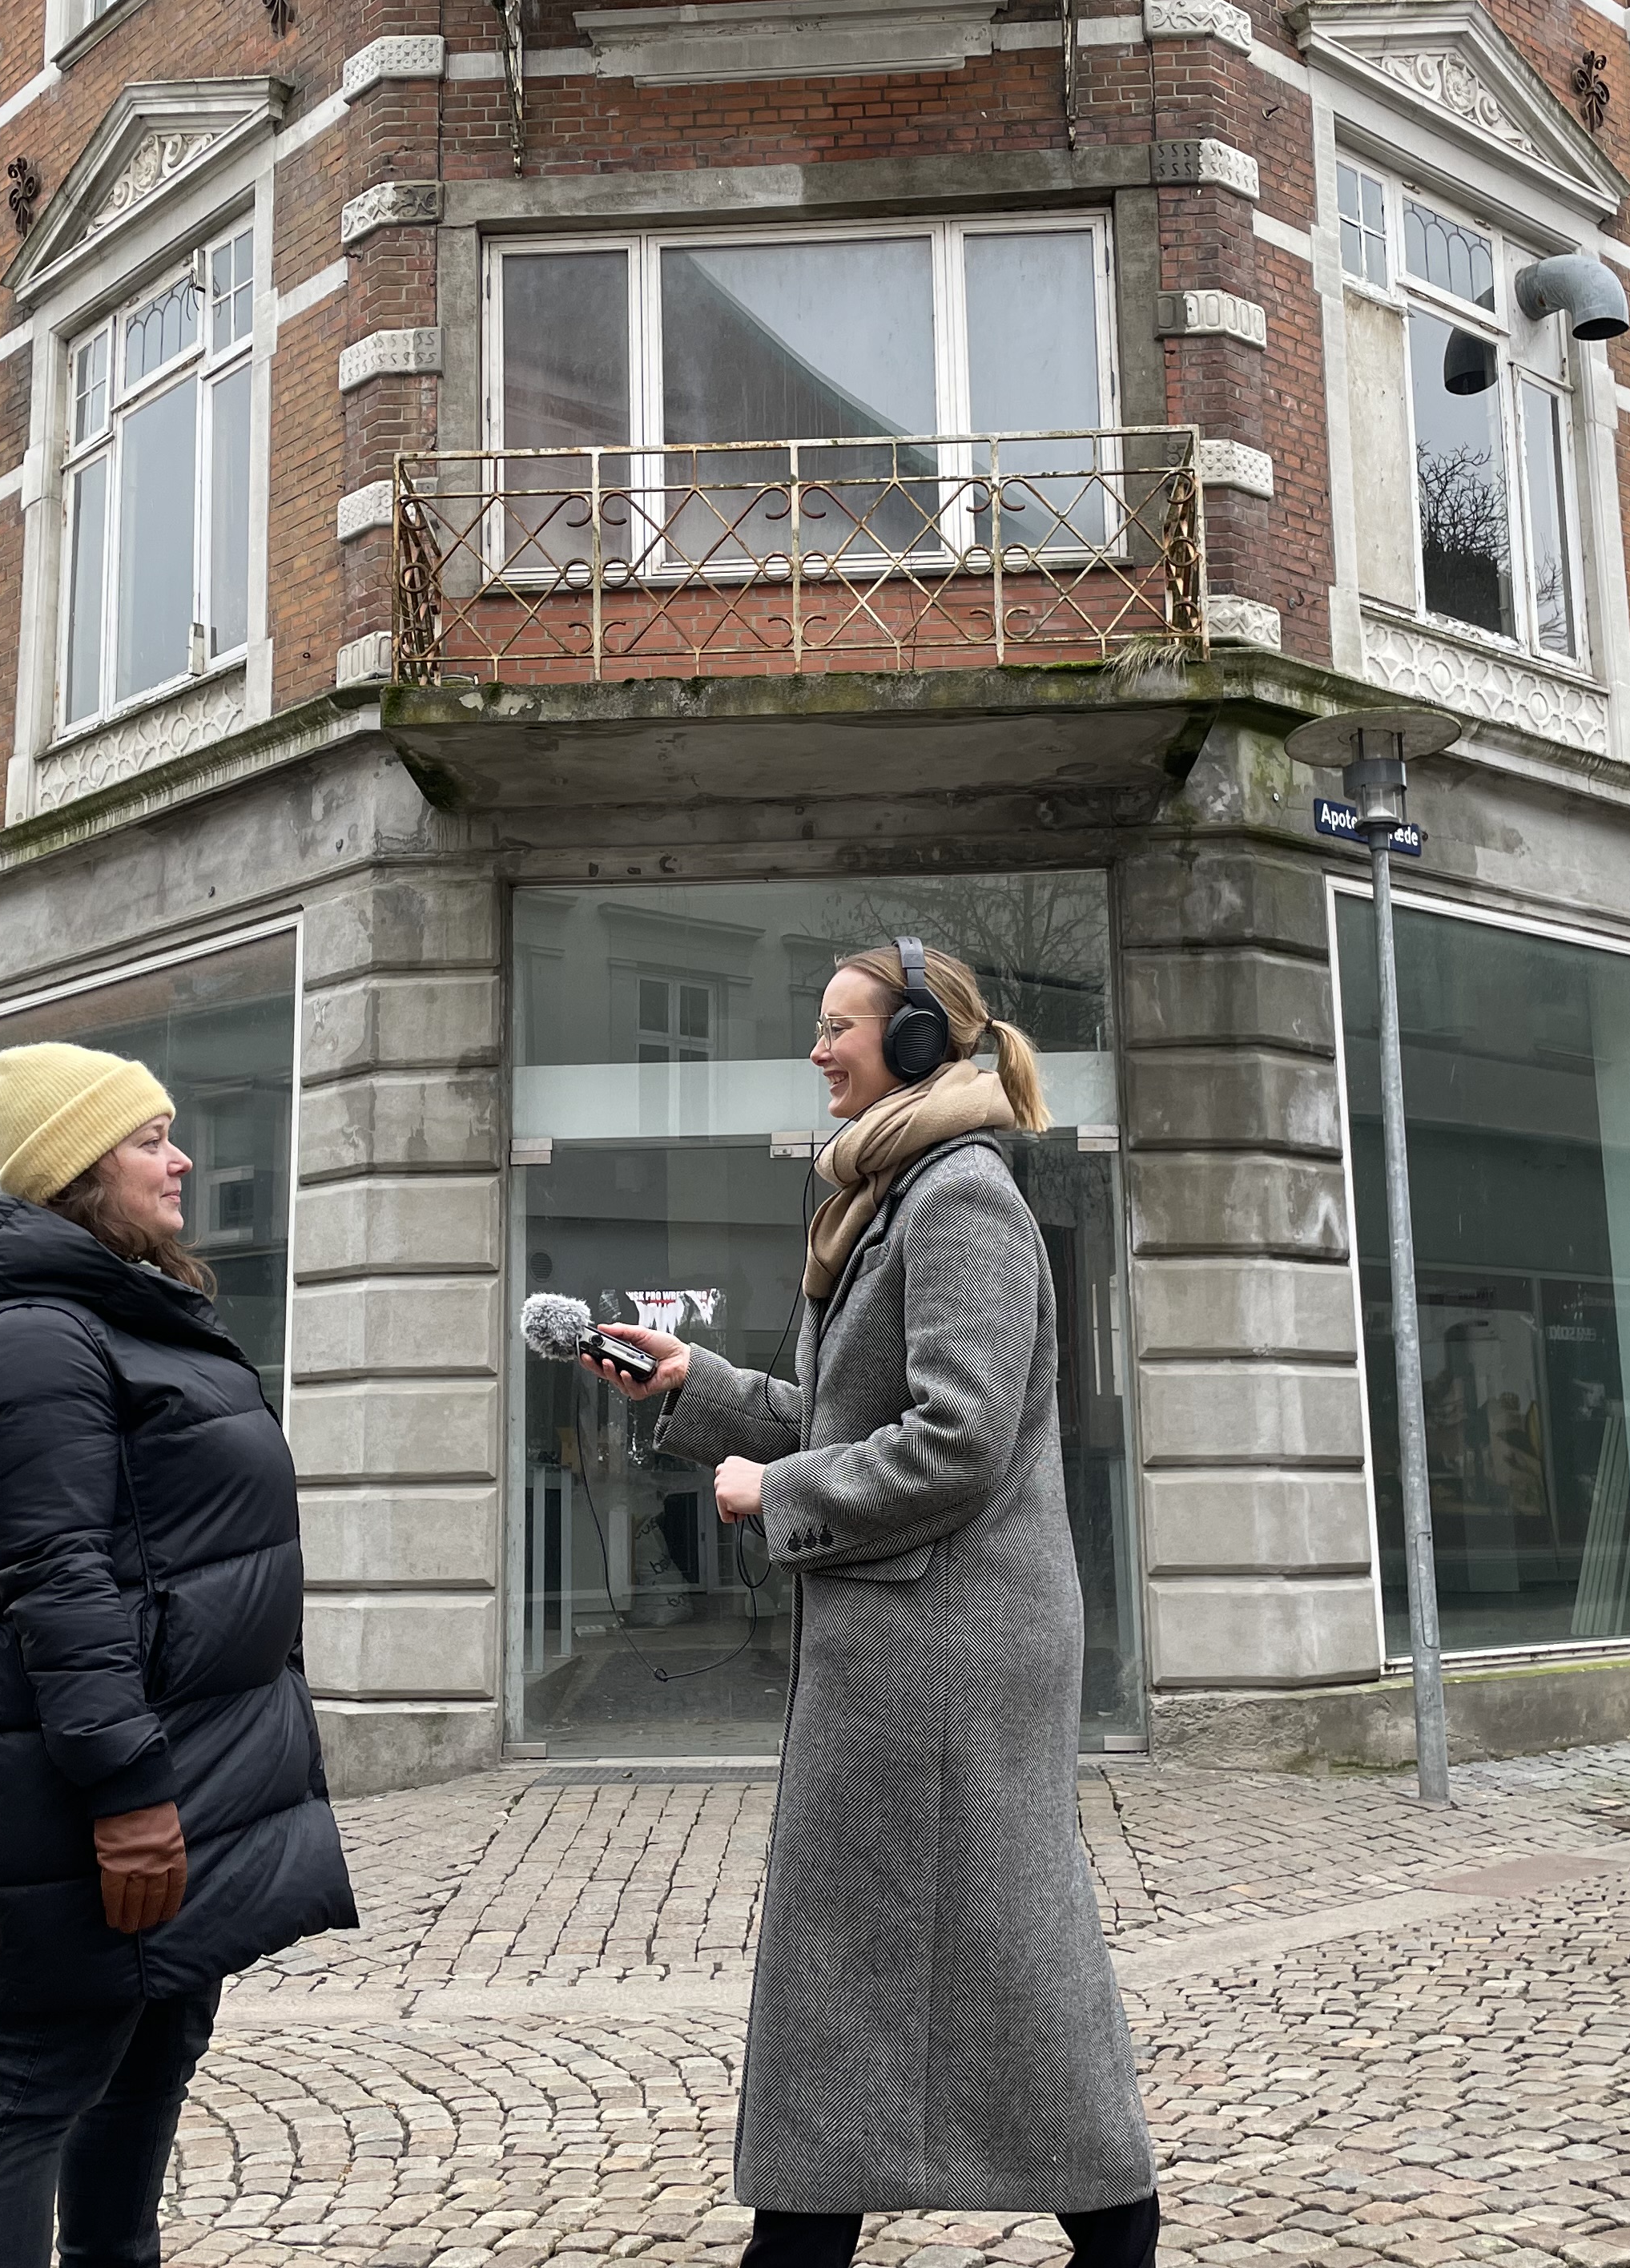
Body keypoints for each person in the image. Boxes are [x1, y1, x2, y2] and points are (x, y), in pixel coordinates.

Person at [586, 941, 1158, 2268]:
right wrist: (695, 1389)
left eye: (838, 1027)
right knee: (903, 1962)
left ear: (914, 1045)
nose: (815, 1048)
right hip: (910, 1640)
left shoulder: (961, 1200)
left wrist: (771, 1491)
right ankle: (861, 2225)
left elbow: (955, 1442)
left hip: (948, 1648)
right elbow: (844, 1418)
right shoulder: (890, 1196)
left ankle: (1098, 2219)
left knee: (968, 1952)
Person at [0, 1042, 356, 2268]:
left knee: (145, 2068)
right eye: (150, 1138)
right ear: (77, 1169)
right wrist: (127, 1795)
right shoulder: (35, 1340)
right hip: (100, 1794)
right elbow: (60, 1581)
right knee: (34, 2083)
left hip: (185, 1769)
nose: (182, 1158)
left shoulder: (120, 1314)